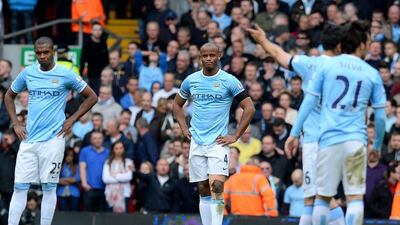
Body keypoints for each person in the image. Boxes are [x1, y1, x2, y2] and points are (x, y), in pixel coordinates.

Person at [284, 21, 386, 225]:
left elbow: (309, 100)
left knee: (322, 197)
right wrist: (376, 146)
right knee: (355, 198)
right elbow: (381, 117)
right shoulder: (371, 73)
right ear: (361, 44)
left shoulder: (327, 66)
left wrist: (294, 134)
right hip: (356, 141)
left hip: (327, 140)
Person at [247, 23, 346, 225]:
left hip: (315, 140)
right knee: (311, 197)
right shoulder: (348, 69)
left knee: (321, 197)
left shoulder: (310, 64)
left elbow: (278, 54)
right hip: (337, 138)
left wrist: (263, 40)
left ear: (321, 44)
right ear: (339, 47)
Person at [4, 37, 97, 225]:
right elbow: (9, 95)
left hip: (53, 140)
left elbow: (91, 96)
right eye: (38, 52)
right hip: (29, 139)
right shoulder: (28, 73)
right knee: (19, 187)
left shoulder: (66, 73)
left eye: (46, 52)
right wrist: (15, 122)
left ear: (53, 52)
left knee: (49, 187)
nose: (42, 56)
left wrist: (72, 119)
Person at [173, 42, 255, 225]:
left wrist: (236, 135)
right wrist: (184, 128)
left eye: (212, 55)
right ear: (200, 58)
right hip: (197, 141)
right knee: (203, 188)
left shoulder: (229, 80)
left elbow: (249, 107)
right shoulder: (191, 80)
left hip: (218, 142)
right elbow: (176, 105)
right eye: (205, 55)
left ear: (219, 56)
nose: (208, 58)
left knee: (216, 186)